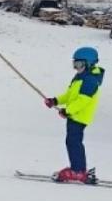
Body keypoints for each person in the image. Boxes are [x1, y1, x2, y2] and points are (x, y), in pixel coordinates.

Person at [43, 46, 105, 183]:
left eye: (78, 64)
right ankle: (78, 168)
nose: (76, 67)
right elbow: (70, 95)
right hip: (75, 115)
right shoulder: (80, 77)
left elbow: (83, 100)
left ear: (88, 64)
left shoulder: (90, 80)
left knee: (73, 142)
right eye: (74, 64)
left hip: (80, 116)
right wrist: (56, 100)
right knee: (72, 141)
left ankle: (77, 171)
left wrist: (68, 110)